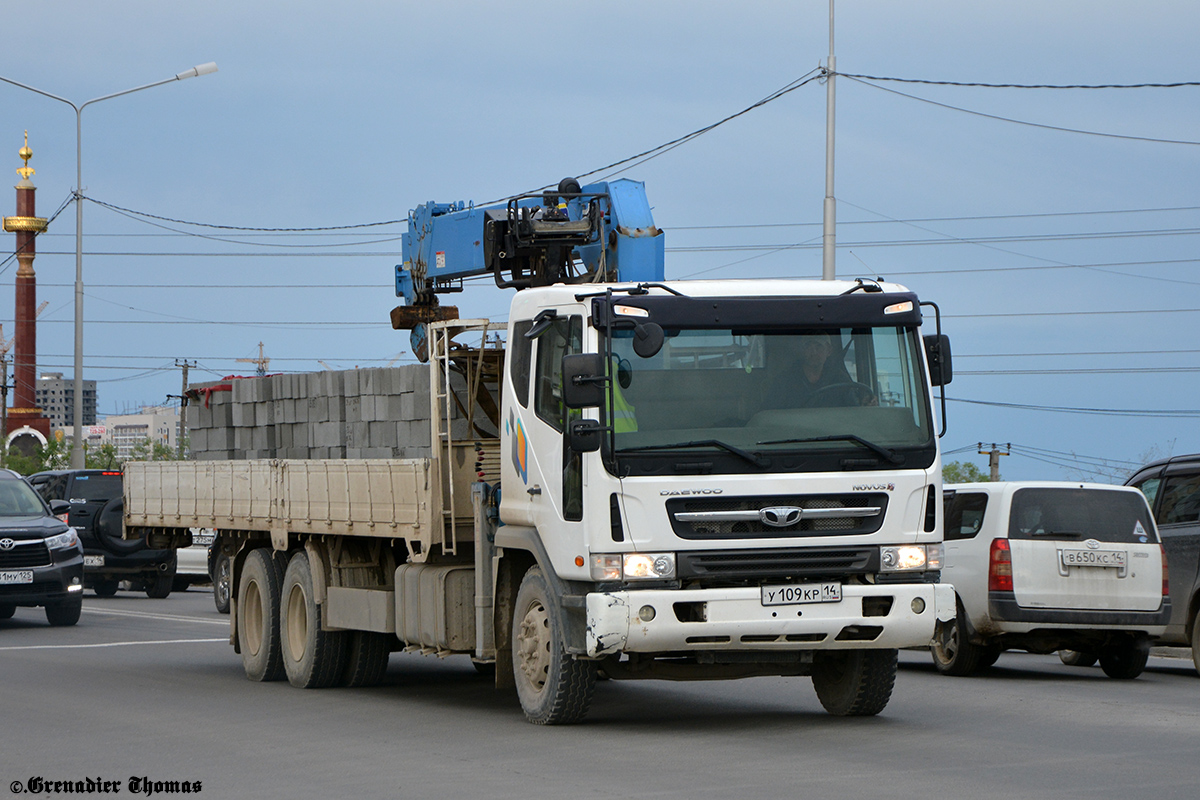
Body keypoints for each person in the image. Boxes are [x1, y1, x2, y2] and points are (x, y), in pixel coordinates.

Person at [761, 332, 872, 409]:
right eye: (808, 346)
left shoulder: (840, 380)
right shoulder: (784, 381)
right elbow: (770, 415)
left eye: (818, 346)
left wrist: (865, 407)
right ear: (802, 351)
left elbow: (852, 413)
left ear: (829, 350)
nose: (813, 352)